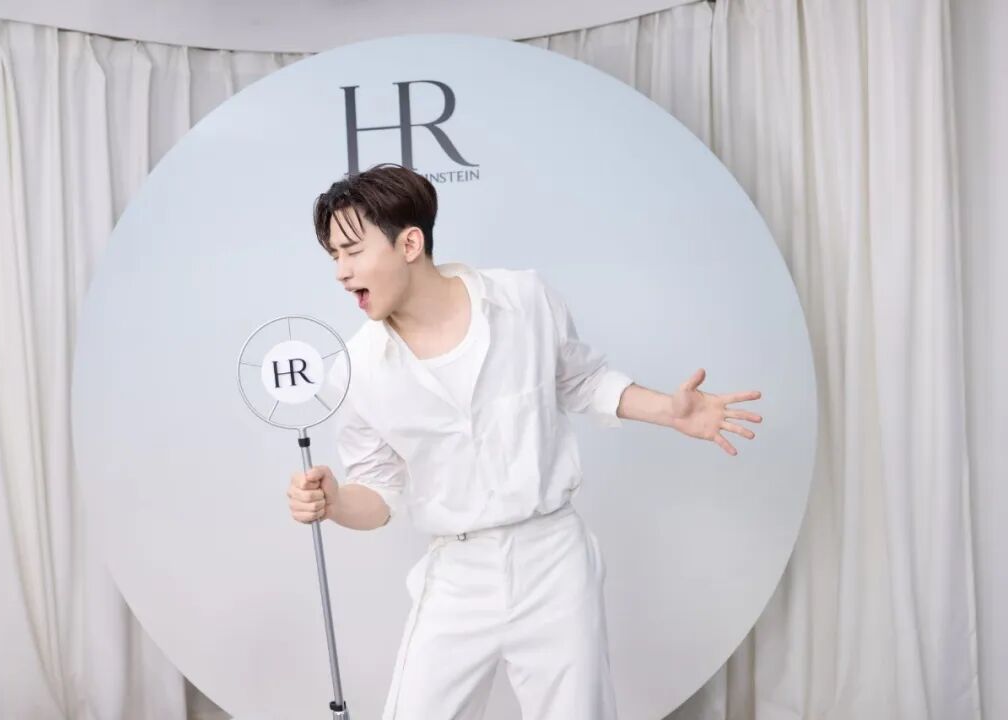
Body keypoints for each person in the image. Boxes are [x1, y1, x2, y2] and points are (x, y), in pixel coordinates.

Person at [287, 164, 762, 720]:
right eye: (334, 257)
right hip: (457, 571)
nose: (341, 273)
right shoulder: (357, 367)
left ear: (409, 244)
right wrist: (335, 502)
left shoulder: (524, 299)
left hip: (553, 560)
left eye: (351, 251)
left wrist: (670, 411)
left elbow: (583, 381)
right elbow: (379, 490)